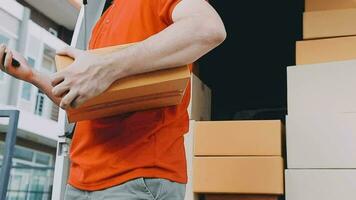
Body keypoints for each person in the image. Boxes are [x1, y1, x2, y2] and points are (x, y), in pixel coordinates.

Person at [0, 0, 226, 199]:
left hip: (137, 179)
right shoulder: (102, 20)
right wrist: (30, 75)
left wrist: (106, 68)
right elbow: (80, 100)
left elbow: (207, 28)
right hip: (79, 181)